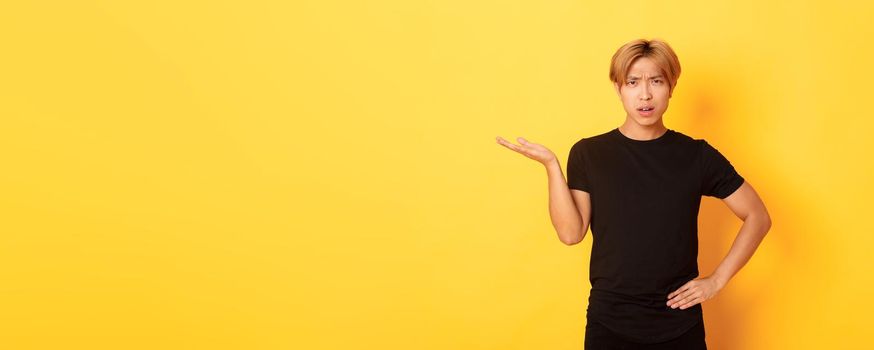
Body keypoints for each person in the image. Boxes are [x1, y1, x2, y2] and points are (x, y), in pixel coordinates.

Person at [495, 38, 772, 349]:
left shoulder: (697, 156)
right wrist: (551, 165)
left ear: (671, 86)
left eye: (656, 81)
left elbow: (757, 216)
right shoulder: (589, 153)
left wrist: (717, 280)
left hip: (679, 323)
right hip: (609, 323)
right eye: (633, 82)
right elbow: (571, 233)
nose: (645, 94)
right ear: (618, 88)